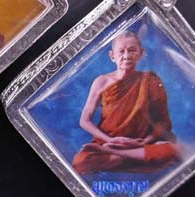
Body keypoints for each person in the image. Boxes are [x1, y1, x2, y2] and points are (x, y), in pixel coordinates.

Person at [72, 31, 182, 174]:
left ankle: (119, 154)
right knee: (80, 162)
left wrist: (145, 141)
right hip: (108, 142)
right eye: (121, 51)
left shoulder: (150, 81)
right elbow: (84, 120)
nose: (126, 56)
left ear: (141, 53)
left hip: (140, 143)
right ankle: (127, 155)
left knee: (174, 150)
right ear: (112, 56)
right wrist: (110, 140)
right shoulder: (102, 81)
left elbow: (163, 122)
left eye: (132, 51)